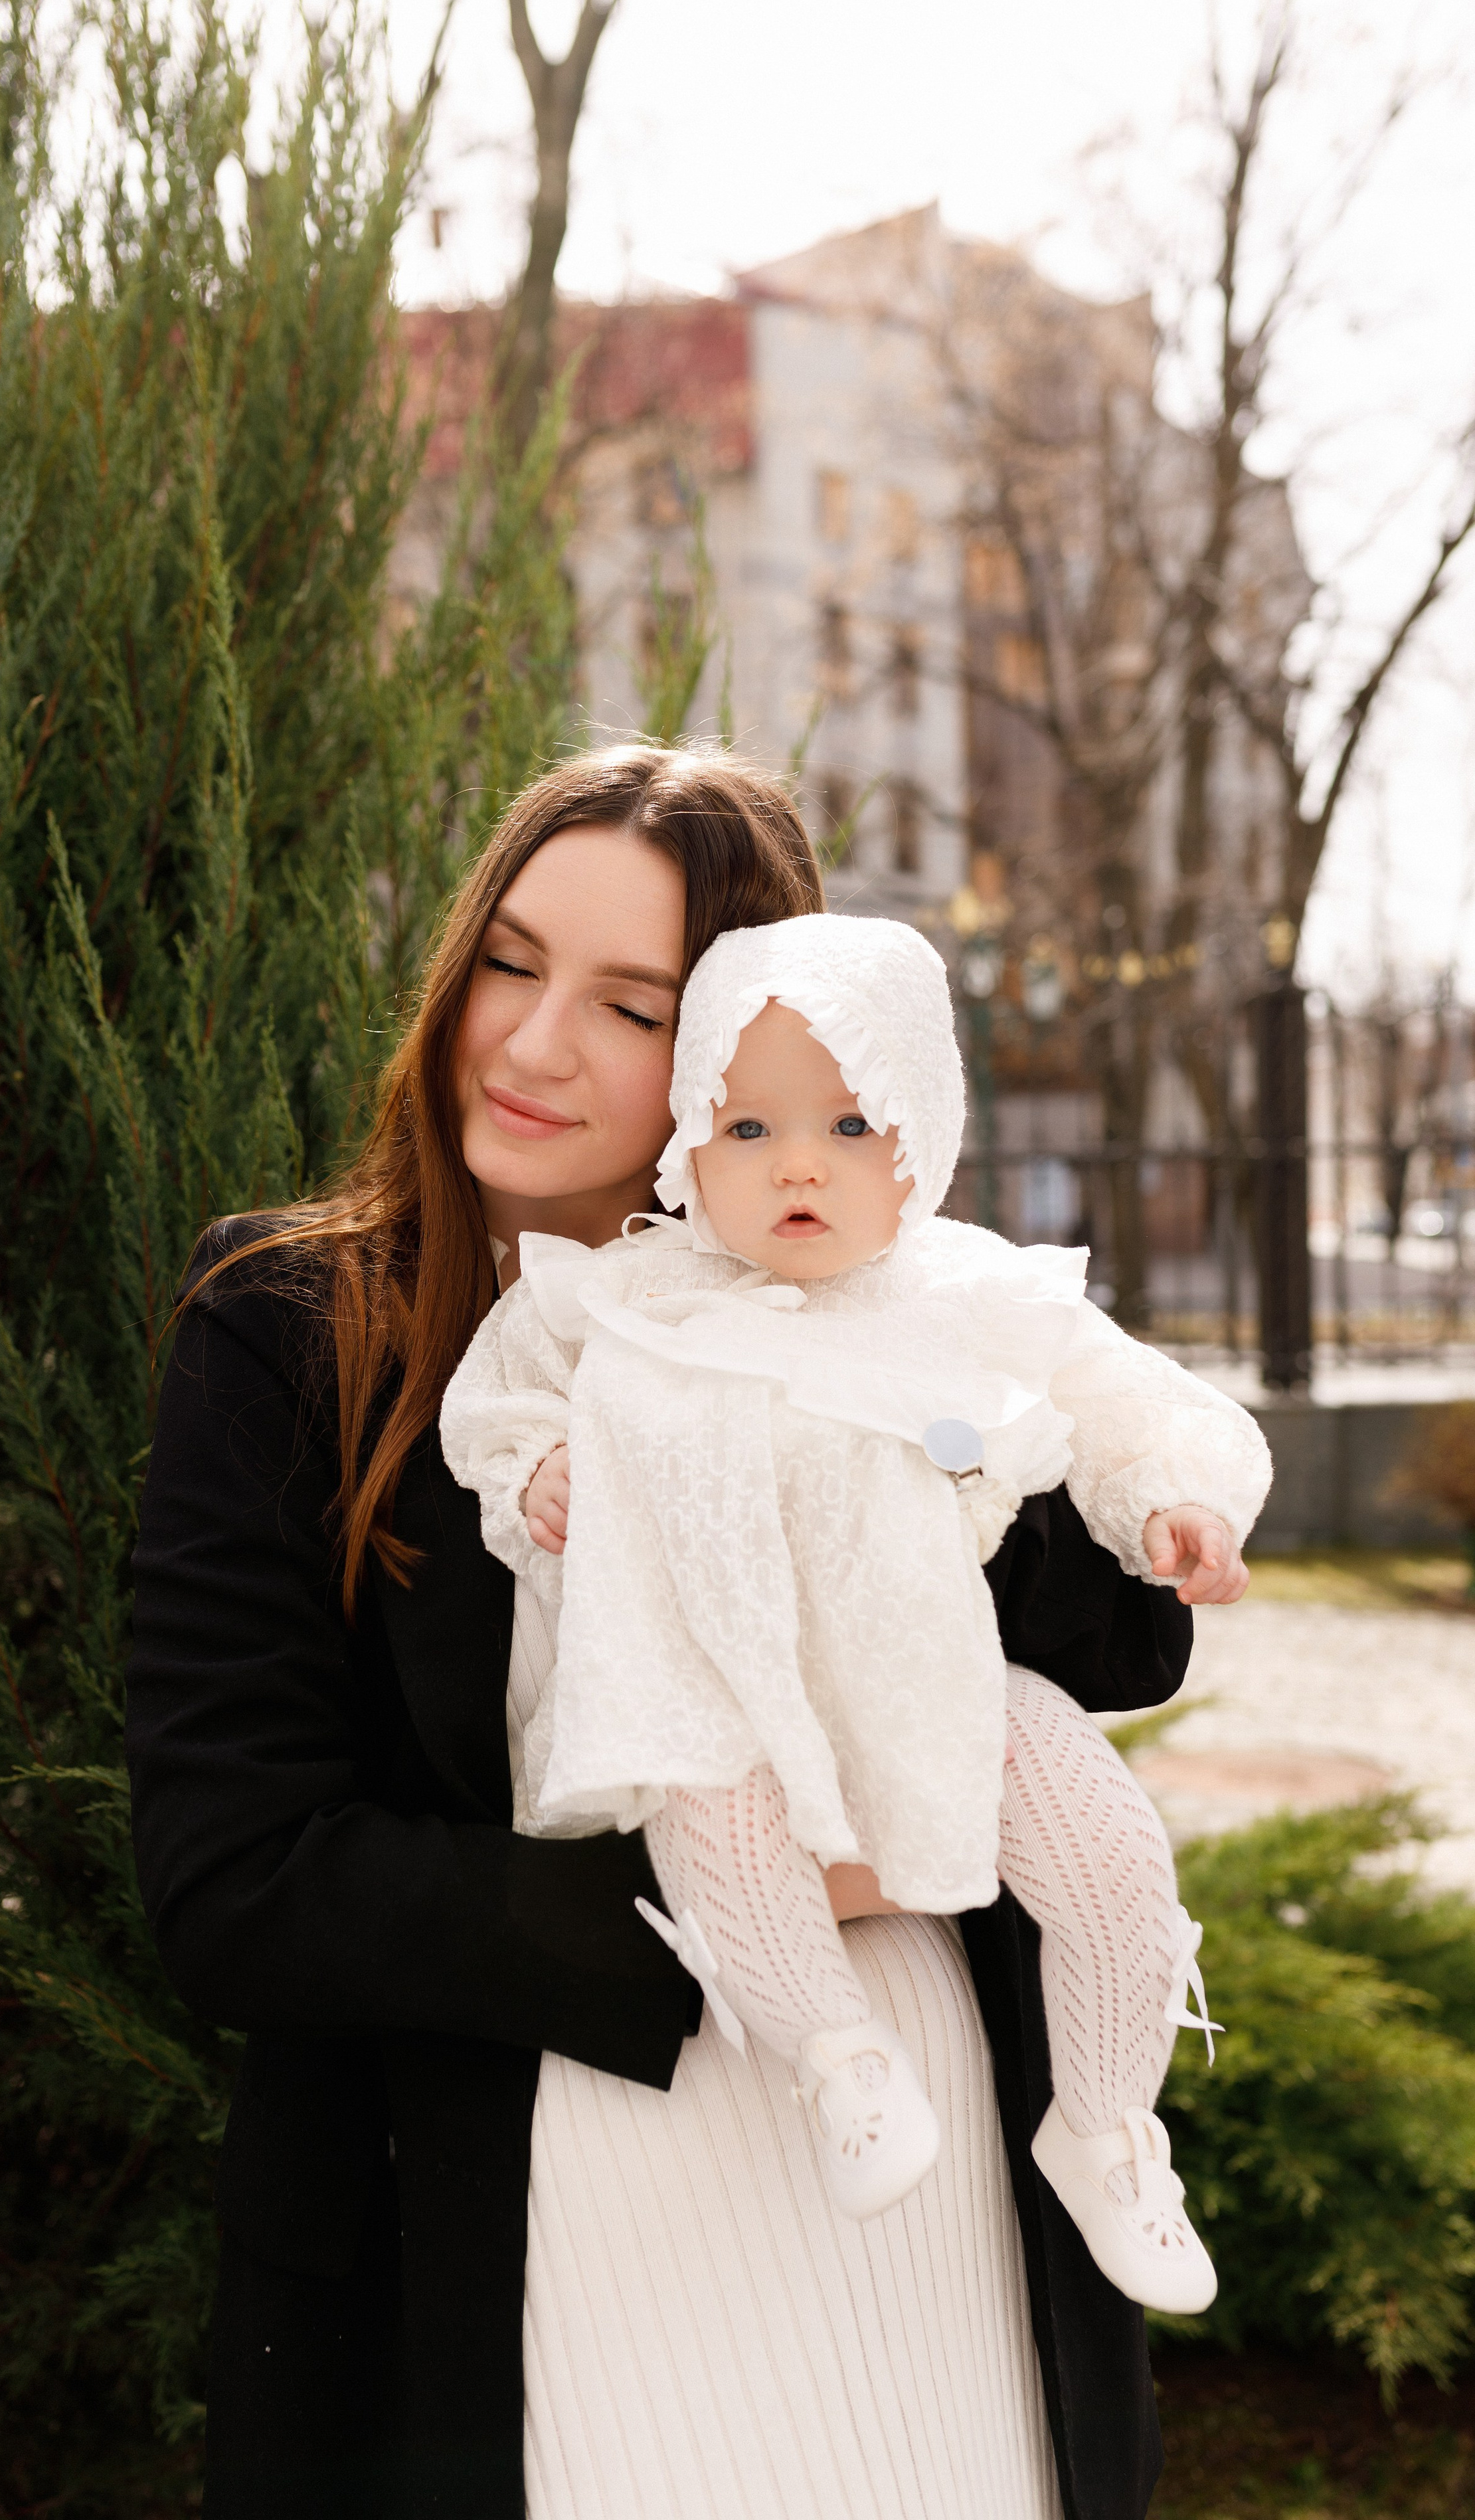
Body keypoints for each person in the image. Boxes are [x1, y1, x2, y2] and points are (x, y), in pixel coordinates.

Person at [128, 745, 1204, 2520]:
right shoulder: (288, 1334)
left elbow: (1127, 1637)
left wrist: (876, 1385)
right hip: (536, 2218)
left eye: (629, 1005)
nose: (537, 1041)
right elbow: (238, 1883)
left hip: (926, 2233)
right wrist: (735, 1898)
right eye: (507, 960)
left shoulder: (890, 1301)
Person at [442, 911, 1268, 2316]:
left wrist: (1171, 1503)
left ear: (921, 1143)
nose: (797, 1164)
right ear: (688, 1141)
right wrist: (539, 1474)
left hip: (939, 1673)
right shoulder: (632, 1291)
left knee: (1107, 1857)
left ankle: (1107, 2126)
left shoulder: (970, 1294)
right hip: (726, 1683)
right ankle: (837, 2059)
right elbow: (499, 1399)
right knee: (721, 1829)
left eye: (845, 1124)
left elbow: (1127, 1405)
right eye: (745, 1128)